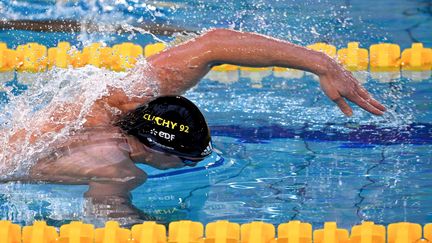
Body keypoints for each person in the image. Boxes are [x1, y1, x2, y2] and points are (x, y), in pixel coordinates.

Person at [1, 28, 386, 224]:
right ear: (155, 149)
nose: (192, 163)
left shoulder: (114, 100)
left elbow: (213, 44)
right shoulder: (118, 170)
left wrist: (321, 63)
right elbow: (107, 213)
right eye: (186, 159)